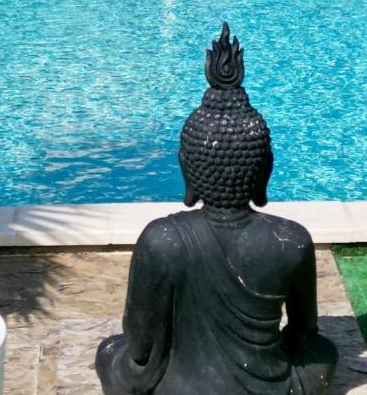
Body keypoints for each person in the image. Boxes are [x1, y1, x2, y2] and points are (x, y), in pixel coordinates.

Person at [96, 24, 338, 395]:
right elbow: (304, 334)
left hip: (177, 388)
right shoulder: (291, 240)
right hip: (269, 387)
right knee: (324, 354)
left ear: (186, 167)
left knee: (110, 350)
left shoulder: (161, 239)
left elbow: (140, 342)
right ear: (265, 168)